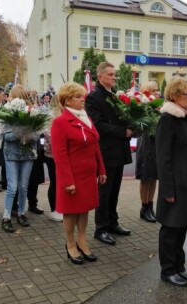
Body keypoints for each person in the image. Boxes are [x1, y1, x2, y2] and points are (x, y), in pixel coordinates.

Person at [52, 82, 107, 265]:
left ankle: (82, 241)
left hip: (88, 173)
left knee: (84, 208)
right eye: (78, 97)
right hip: (72, 175)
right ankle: (70, 244)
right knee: (71, 211)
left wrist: (101, 169)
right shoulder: (60, 122)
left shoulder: (86, 118)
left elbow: (95, 144)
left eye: (82, 96)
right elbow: (60, 155)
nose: (82, 99)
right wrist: (68, 181)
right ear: (67, 100)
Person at [156, 77, 187, 287]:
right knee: (170, 229)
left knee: (182, 227)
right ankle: (168, 270)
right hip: (174, 184)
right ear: (175, 96)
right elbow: (163, 157)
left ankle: (179, 267)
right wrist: (167, 189)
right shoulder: (168, 119)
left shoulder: (185, 118)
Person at [85, 62, 133, 246]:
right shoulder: (94, 97)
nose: (114, 77)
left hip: (118, 150)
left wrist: (133, 126)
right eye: (111, 74)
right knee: (104, 192)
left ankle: (113, 222)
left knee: (114, 190)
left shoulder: (115, 95)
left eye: (115, 74)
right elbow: (97, 125)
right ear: (101, 77)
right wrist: (123, 132)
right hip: (106, 151)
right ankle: (101, 228)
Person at [1, 85, 38, 233]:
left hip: (28, 154)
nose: (9, 98)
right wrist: (20, 132)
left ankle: (21, 213)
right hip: (12, 154)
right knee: (12, 187)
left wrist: (30, 135)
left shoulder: (33, 113)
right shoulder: (7, 113)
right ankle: (6, 216)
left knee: (24, 186)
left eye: (11, 95)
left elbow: (37, 134)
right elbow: (6, 137)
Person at [135, 81, 160, 223]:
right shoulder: (143, 107)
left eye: (157, 90)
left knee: (154, 176)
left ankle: (150, 206)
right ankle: (144, 207)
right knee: (146, 177)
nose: (157, 92)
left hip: (156, 145)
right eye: (154, 90)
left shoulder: (158, 106)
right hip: (146, 143)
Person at [44, 95, 64, 221]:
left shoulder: (65, 114)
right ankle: (54, 210)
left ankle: (60, 208)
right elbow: (49, 135)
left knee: (61, 182)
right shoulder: (52, 115)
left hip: (61, 154)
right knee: (55, 181)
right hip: (53, 155)